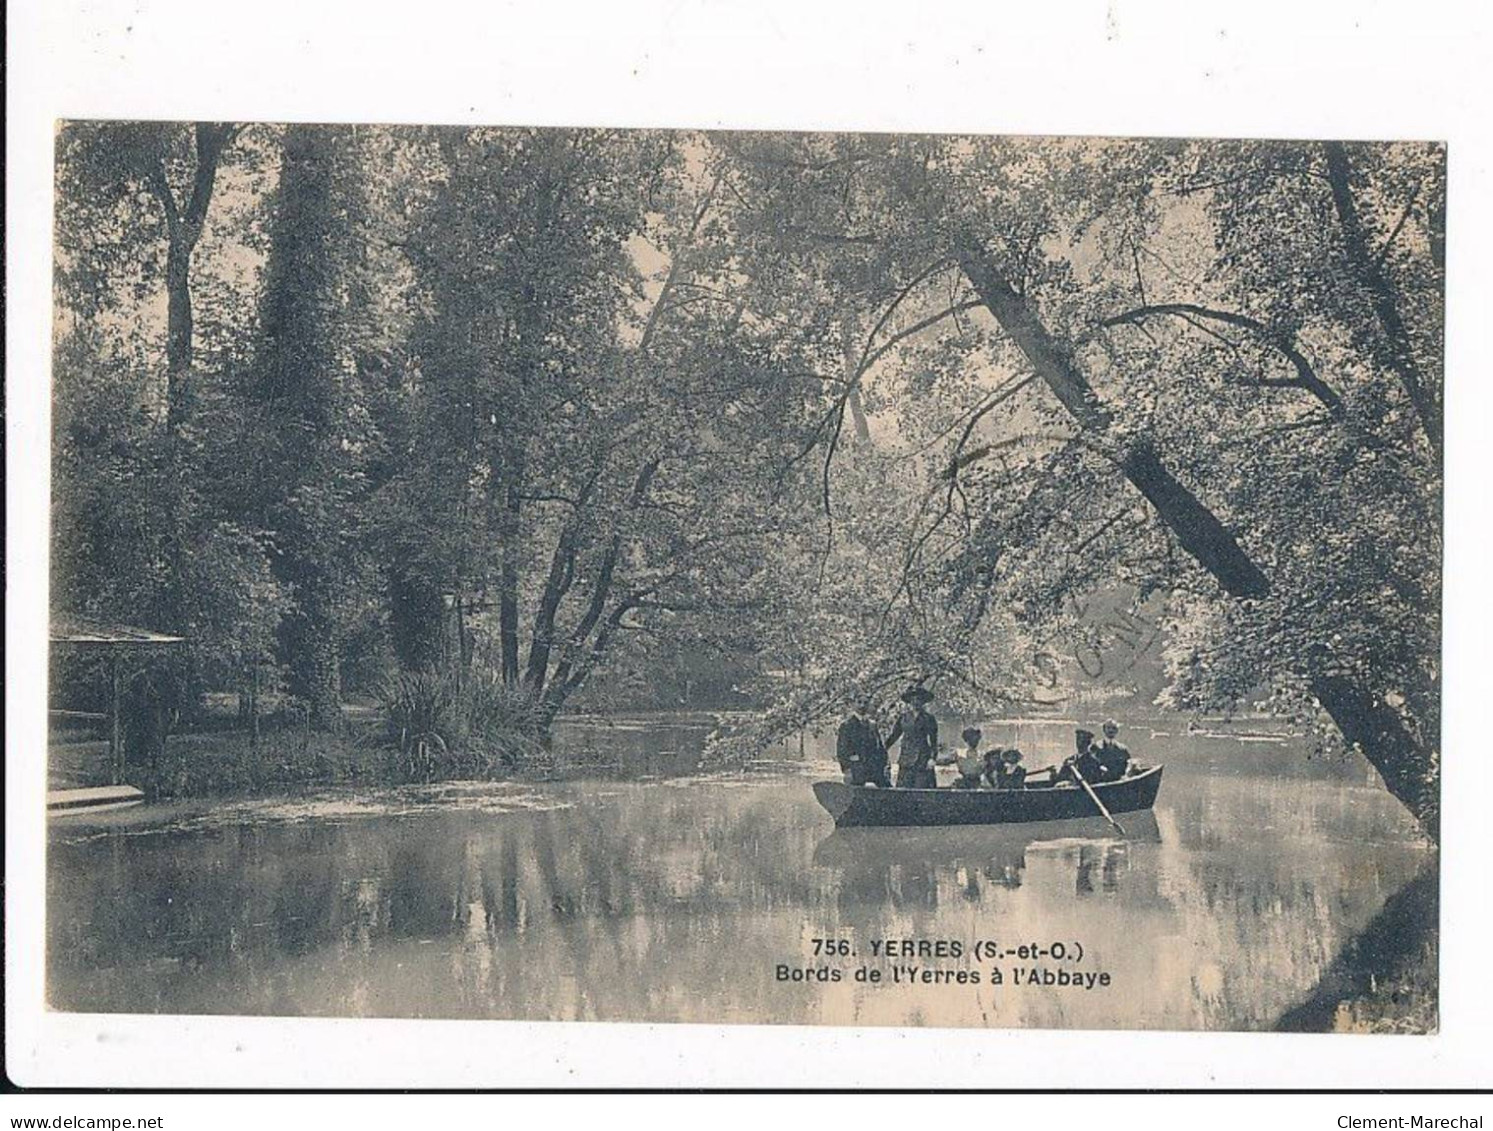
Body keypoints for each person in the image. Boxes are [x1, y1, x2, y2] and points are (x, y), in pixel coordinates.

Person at [884, 685, 938, 789]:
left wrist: (932, 759)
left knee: (922, 790)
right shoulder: (903, 718)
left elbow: (934, 742)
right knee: (903, 790)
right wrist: (883, 748)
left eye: (919, 699)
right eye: (913, 699)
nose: (916, 702)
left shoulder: (929, 719)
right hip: (906, 759)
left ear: (923, 702)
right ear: (909, 701)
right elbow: (894, 736)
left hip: (922, 760)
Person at [835, 702, 890, 787]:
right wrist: (847, 769)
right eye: (859, 702)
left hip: (874, 769)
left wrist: (885, 766)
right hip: (856, 770)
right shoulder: (847, 725)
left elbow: (880, 749)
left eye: (865, 703)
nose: (862, 706)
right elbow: (842, 750)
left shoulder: (872, 725)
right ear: (853, 704)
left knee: (887, 791)